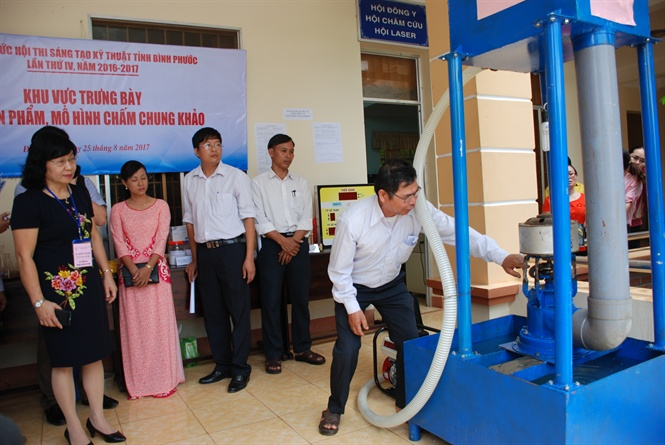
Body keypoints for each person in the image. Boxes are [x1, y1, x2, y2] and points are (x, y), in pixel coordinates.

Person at [318, 159, 524, 436]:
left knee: (411, 342)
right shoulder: (353, 219)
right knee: (348, 347)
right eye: (406, 196)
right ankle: (334, 407)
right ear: (383, 195)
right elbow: (339, 272)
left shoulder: (418, 210)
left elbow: (459, 232)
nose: (413, 201)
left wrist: (501, 256)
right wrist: (353, 308)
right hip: (354, 286)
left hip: (391, 285)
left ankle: (406, 402)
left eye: (416, 193)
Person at [11, 128, 126, 444]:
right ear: (42, 163)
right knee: (62, 361)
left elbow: (92, 235)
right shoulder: (29, 201)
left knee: (94, 354)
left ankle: (97, 419)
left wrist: (106, 274)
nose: (68, 166)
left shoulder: (79, 193)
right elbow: (23, 257)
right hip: (56, 293)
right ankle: (73, 427)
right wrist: (38, 302)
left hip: (88, 285)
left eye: (71, 159)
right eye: (60, 161)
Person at [183, 127, 256, 393]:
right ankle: (222, 365)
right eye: (207, 145)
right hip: (206, 253)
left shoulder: (236, 177)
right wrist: (194, 259)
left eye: (217, 144)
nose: (214, 149)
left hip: (233, 251)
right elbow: (190, 221)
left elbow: (249, 219)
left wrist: (249, 258)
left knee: (239, 311)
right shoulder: (189, 180)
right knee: (213, 313)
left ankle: (240, 369)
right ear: (196, 151)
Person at [109, 160, 185, 399]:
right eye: (134, 179)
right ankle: (140, 383)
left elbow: (161, 238)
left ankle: (164, 379)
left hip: (157, 273)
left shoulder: (161, 206)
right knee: (136, 331)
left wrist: (148, 267)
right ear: (124, 183)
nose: (140, 183)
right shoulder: (118, 210)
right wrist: (135, 270)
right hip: (131, 277)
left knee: (159, 327)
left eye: (143, 177)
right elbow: (119, 242)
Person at [252, 134, 325, 375]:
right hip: (272, 244)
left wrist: (292, 243)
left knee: (301, 299)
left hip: (298, 243)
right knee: (271, 301)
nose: (288, 155)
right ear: (271, 152)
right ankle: (274, 354)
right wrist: (283, 242)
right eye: (283, 150)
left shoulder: (301, 182)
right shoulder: (258, 183)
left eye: (291, 151)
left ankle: (303, 348)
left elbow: (306, 216)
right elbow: (260, 219)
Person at [542, 164, 586, 253]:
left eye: (571, 174)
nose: (568, 177)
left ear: (576, 176)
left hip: (582, 245)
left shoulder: (585, 199)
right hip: (560, 245)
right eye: (564, 174)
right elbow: (546, 224)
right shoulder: (550, 200)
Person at [623, 150, 645, 228]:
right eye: (635, 158)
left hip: (629, 220)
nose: (637, 162)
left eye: (642, 161)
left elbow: (628, 202)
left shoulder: (638, 178)